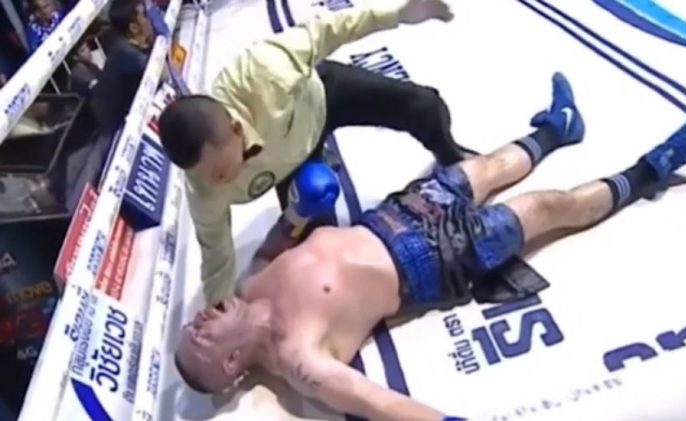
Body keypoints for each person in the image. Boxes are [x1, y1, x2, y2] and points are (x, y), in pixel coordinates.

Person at [173, 72, 686, 421]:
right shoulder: (299, 358)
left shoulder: (247, 286)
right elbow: (376, 403)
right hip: (433, 259)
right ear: (231, 363)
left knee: (484, 167)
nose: (197, 321)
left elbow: (275, 244)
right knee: (546, 207)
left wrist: (298, 212)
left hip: (390, 218)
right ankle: (651, 169)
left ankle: (557, 128)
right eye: (199, 338)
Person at [157, 0, 476, 306]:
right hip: (292, 167)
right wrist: (219, 306)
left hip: (321, 99)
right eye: (207, 178)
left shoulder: (262, 74)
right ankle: (314, 171)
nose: (219, 183)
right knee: (318, 241)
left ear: (236, 129)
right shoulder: (203, 188)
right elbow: (216, 254)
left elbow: (327, 29)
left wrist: (398, 14)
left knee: (424, 106)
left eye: (220, 172)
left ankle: (451, 156)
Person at [90, 0, 154, 134]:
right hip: (114, 130)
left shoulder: (123, 42)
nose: (151, 18)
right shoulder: (126, 52)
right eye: (145, 15)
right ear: (134, 28)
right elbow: (163, 73)